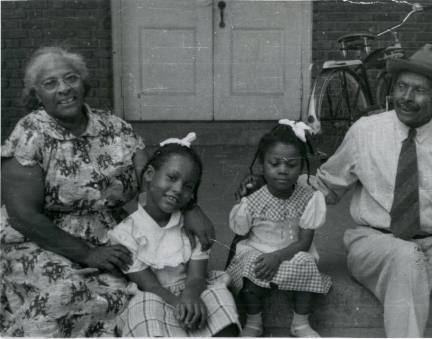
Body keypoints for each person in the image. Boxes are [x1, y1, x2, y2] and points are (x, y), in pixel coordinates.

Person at [0, 46, 215, 337]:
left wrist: (191, 209)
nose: (64, 89)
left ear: (84, 83)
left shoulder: (114, 127)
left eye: (71, 78)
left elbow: (151, 178)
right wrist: (87, 254)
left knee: (133, 292)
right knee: (66, 294)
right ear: (36, 94)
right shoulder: (30, 133)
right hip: (42, 239)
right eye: (50, 83)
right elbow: (22, 216)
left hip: (110, 234)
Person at [306, 44, 432, 337]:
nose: (406, 98)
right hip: (375, 244)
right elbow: (328, 186)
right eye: (401, 87)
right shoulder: (366, 131)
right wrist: (278, 192)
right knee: (406, 259)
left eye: (419, 91)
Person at [108, 132, 241, 337]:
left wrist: (191, 296)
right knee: (143, 311)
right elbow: (148, 284)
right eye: (171, 177)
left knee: (219, 297)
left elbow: (197, 275)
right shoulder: (125, 233)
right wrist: (178, 303)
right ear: (149, 174)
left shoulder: (191, 227)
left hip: (193, 288)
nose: (178, 189)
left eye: (188, 186)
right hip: (155, 295)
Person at [226, 120, 332, 337]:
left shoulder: (308, 197)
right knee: (249, 266)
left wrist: (278, 257)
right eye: (274, 164)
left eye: (291, 165)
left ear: (302, 167)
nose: (283, 171)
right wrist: (244, 201)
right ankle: (254, 321)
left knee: (307, 262)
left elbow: (304, 243)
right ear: (263, 165)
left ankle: (300, 322)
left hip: (291, 251)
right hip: (258, 250)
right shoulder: (253, 199)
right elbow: (241, 230)